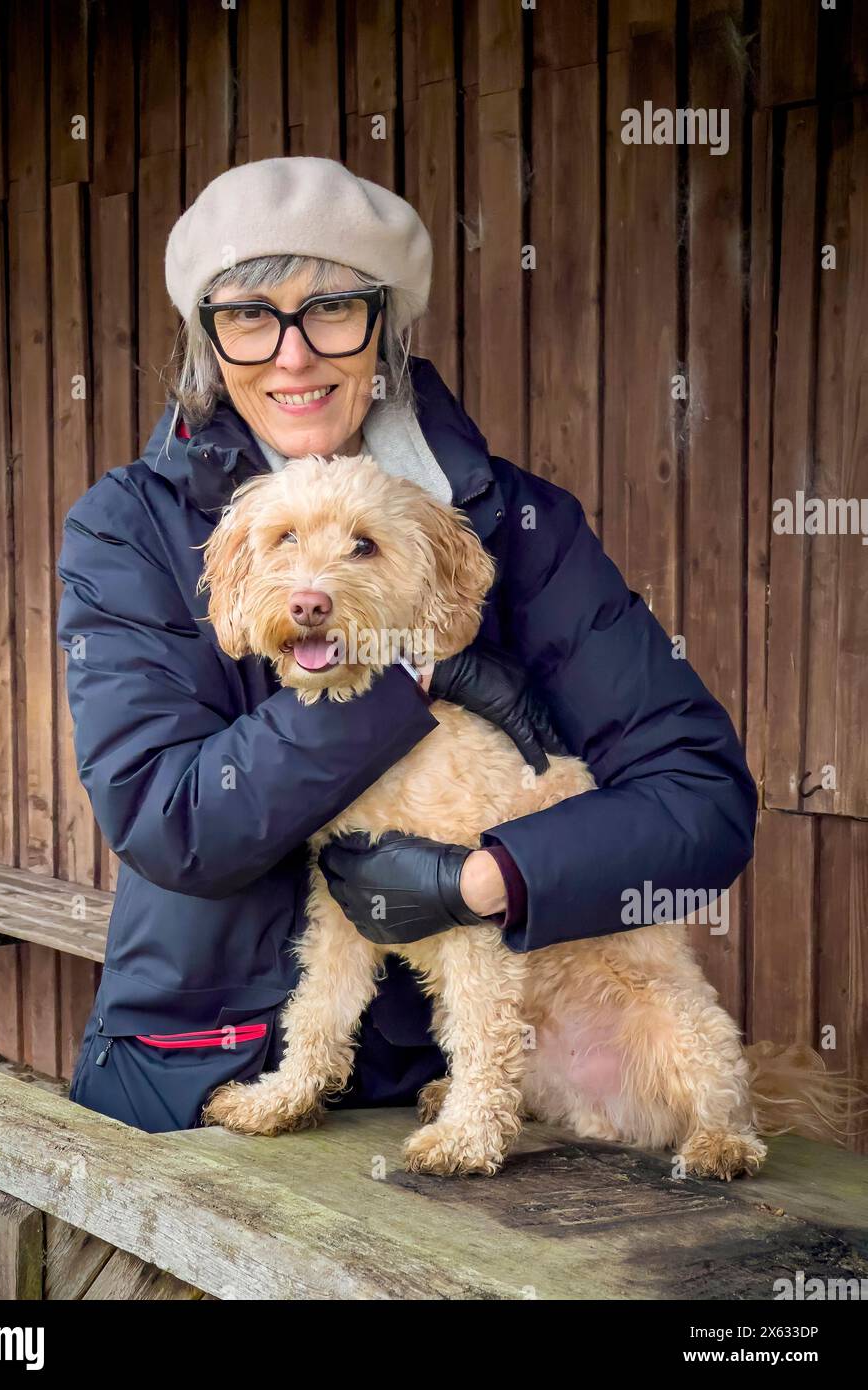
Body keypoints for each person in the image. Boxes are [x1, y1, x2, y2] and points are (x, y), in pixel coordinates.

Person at [57, 156, 756, 1134]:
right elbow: (166, 815)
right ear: (209, 344)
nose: (293, 356)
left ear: (385, 329)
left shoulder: (520, 527)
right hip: (182, 1080)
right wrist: (406, 679)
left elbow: (702, 799)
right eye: (251, 316)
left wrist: (489, 877)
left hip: (425, 1094)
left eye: (333, 308)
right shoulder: (127, 528)